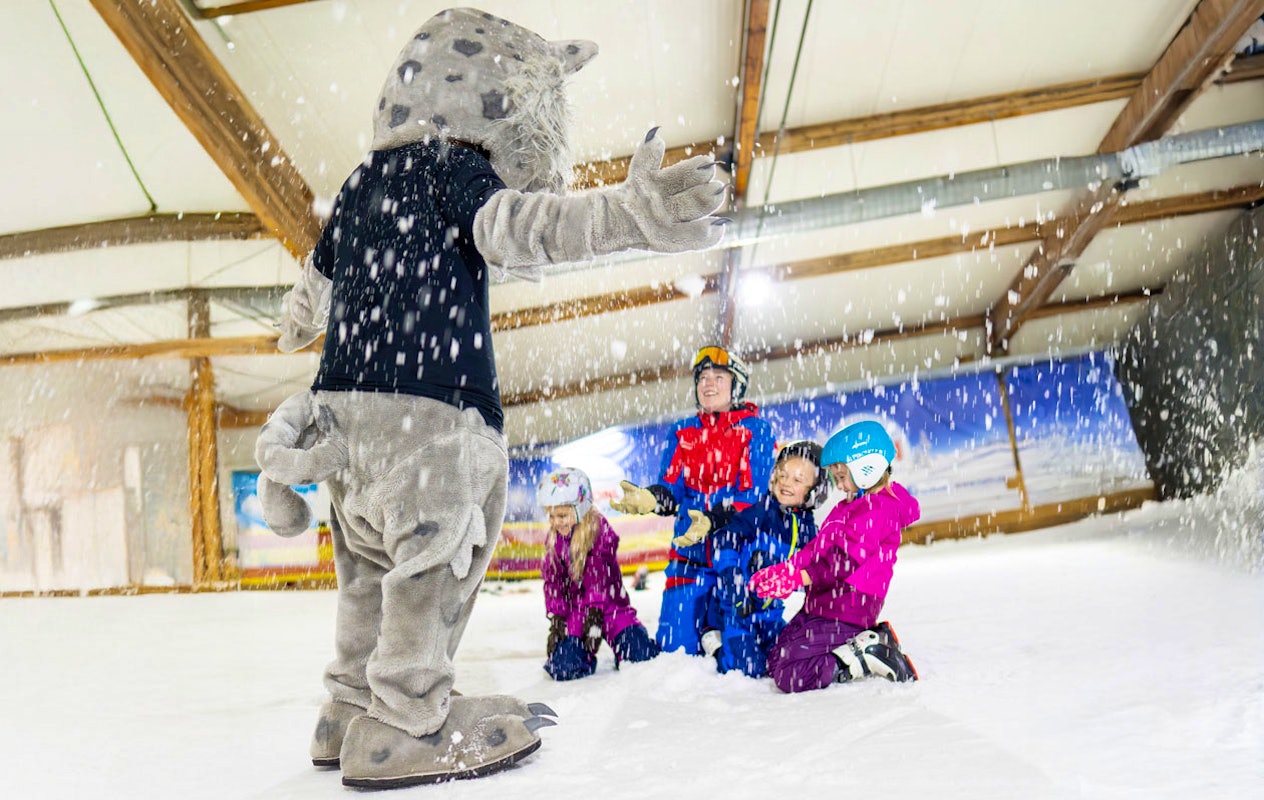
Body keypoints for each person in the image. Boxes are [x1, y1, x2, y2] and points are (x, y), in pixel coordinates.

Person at [252, 7, 726, 788]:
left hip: (344, 412)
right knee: (435, 559)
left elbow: (313, 292)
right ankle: (404, 720)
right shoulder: (451, 166)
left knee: (369, 570)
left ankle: (345, 709)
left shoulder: (361, 182)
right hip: (429, 414)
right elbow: (522, 226)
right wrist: (629, 215)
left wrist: (296, 323)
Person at [611, 345, 776, 655]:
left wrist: (716, 520)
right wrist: (652, 498)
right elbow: (671, 489)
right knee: (675, 651)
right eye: (702, 378)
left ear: (736, 385)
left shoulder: (757, 431)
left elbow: (755, 498)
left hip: (738, 557)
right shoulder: (682, 432)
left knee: (740, 654)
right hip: (690, 557)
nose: (708, 384)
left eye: (718, 377)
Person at [749, 420, 920, 693]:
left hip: (847, 606)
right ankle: (872, 639)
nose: (839, 486)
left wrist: (797, 579)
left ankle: (864, 656)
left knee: (789, 676)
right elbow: (818, 549)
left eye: (841, 477)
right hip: (823, 603)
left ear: (867, 468)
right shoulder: (848, 506)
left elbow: (842, 562)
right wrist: (786, 569)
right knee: (776, 658)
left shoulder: (879, 511)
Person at [702, 441, 830, 678]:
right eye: (783, 475)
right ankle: (715, 640)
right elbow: (725, 539)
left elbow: (812, 571)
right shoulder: (762, 512)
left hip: (770, 614)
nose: (786, 483)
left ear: (815, 492)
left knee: (785, 660)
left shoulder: (808, 531)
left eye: (798, 479)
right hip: (736, 610)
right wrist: (732, 576)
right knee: (749, 669)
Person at [537, 468, 659, 681]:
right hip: (578, 611)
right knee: (563, 668)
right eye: (552, 516)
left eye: (563, 515)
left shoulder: (600, 533)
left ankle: (628, 644)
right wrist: (558, 619)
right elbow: (553, 583)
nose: (557, 522)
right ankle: (581, 657)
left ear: (580, 509)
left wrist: (595, 613)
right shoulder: (554, 542)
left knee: (639, 656)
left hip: (612, 607)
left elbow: (598, 578)